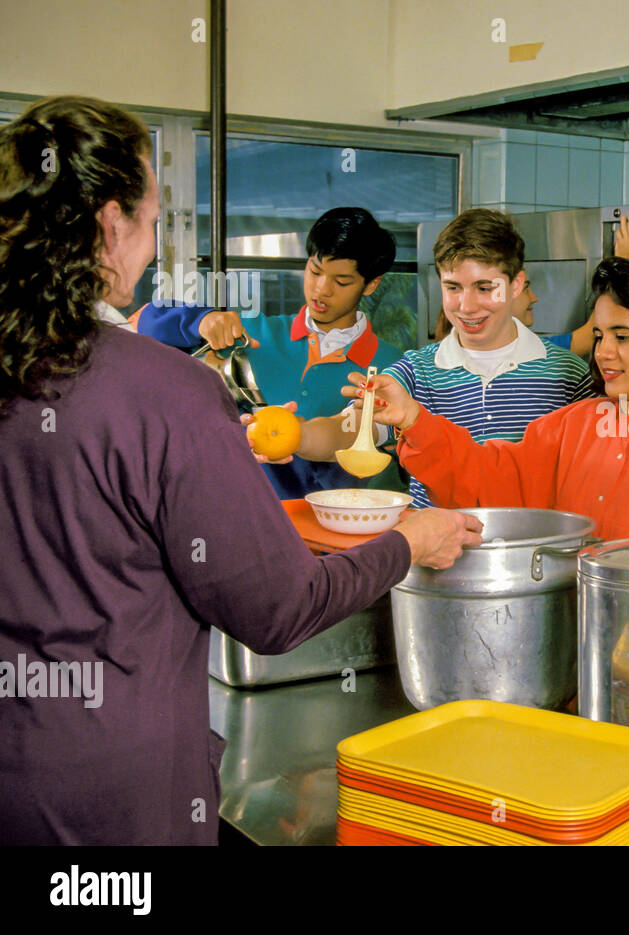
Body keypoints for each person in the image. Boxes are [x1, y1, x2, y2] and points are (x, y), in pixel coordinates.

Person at [0, 96, 482, 845]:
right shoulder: (167, 388)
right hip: (115, 791)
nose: (156, 248)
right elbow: (278, 610)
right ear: (109, 222)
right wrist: (410, 543)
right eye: (156, 222)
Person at [351, 256, 629, 626]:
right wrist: (414, 420)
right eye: (599, 336)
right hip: (558, 658)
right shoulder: (569, 428)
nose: (603, 352)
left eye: (622, 337)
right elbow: (485, 479)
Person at [288, 208, 594, 508]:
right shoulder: (415, 371)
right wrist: (295, 436)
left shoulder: (567, 373)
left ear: (515, 284)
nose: (467, 306)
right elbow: (349, 430)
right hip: (438, 552)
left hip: (535, 551)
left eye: (484, 288)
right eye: (453, 288)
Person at [136, 207, 405, 498]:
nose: (321, 289)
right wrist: (200, 320)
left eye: (341, 281)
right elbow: (139, 324)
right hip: (236, 519)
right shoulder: (250, 336)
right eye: (314, 271)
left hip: (334, 535)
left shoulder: (392, 367)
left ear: (371, 284)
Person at [430, 210, 629, 358]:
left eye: (483, 288)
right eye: (526, 289)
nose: (534, 298)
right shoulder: (417, 372)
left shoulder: (549, 357)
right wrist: (623, 264)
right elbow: (589, 335)